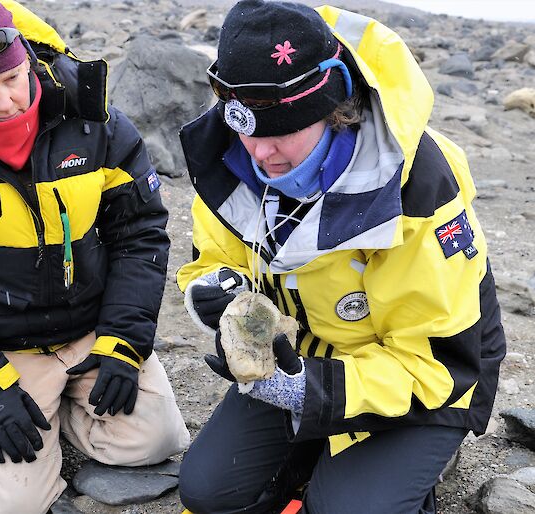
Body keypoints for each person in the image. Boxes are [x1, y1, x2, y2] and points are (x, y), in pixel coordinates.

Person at [176, 1, 506, 513]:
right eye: (247, 129)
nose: (260, 154)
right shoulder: (232, 159)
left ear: (336, 112)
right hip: (303, 357)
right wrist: (215, 290)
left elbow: (436, 364)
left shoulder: (417, 193)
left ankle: (401, 475)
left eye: (281, 131)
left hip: (429, 377)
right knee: (208, 490)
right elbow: (213, 257)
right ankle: (315, 455)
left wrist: (312, 391)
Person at [0, 1, 190, 513]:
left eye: (11, 78)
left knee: (156, 442)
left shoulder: (97, 124)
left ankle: (54, 411)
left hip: (89, 330)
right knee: (8, 505)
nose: (4, 102)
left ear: (26, 58)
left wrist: (124, 341)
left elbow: (139, 234)